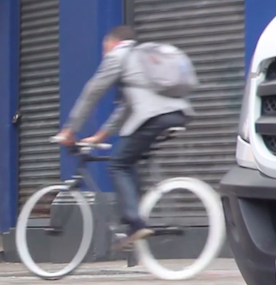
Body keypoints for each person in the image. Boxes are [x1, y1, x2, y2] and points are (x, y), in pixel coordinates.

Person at [55, 25, 194, 250]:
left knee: (117, 164)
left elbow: (92, 92)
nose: (104, 53)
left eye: (104, 47)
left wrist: (70, 128)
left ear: (113, 42)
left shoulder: (118, 56)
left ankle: (134, 223)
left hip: (153, 117)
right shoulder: (141, 59)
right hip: (177, 114)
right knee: (129, 162)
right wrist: (100, 135)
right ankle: (136, 215)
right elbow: (126, 107)